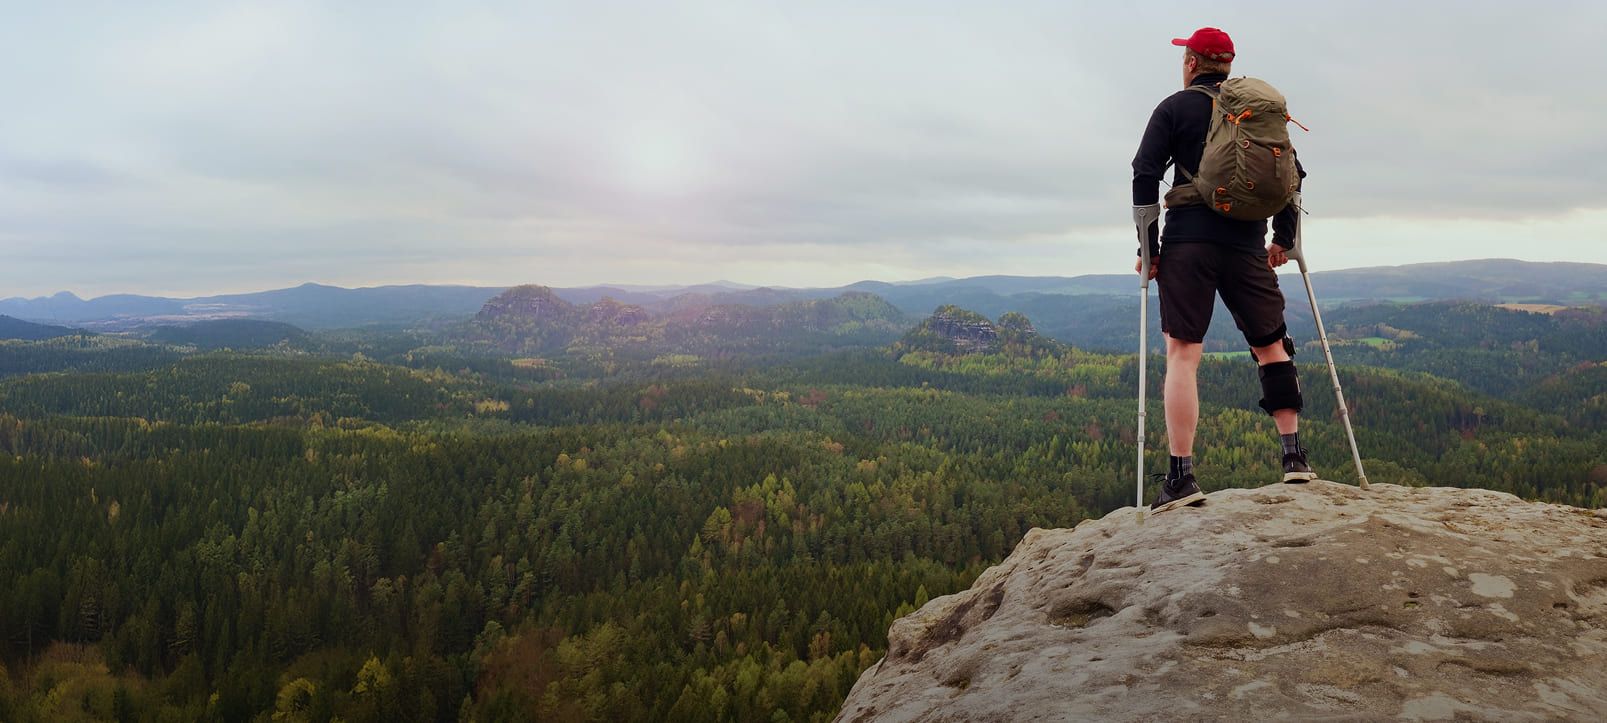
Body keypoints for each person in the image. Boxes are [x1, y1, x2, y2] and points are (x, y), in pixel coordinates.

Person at [1131, 26, 1314, 514]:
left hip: (1188, 243)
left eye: (1185, 57)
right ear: (1228, 65)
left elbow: (1145, 173)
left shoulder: (1175, 108)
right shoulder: (1256, 112)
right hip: (1247, 244)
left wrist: (1149, 249)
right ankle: (1294, 457)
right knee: (1271, 346)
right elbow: (1292, 175)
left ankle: (1181, 477)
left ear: (1191, 62)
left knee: (1183, 353)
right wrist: (1283, 239)